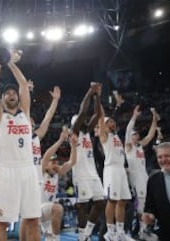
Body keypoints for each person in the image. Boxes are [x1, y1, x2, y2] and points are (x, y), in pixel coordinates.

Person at [0, 51, 41, 241]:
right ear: (2, 99)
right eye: (7, 93)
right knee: (2, 223)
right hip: (7, 170)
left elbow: (23, 85)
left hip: (28, 170)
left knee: (33, 219)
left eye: (13, 93)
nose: (11, 95)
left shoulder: (25, 114)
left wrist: (10, 62)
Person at [20, 84, 61, 241]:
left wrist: (55, 101)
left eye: (32, 120)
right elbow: (23, 110)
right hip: (25, 178)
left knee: (32, 218)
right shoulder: (20, 136)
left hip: (37, 179)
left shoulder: (36, 137)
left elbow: (48, 117)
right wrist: (26, 92)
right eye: (28, 120)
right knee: (27, 217)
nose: (31, 121)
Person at [71, 82, 105, 241]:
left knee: (100, 203)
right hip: (80, 173)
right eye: (80, 120)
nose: (84, 121)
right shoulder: (75, 132)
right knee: (83, 206)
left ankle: (87, 234)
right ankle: (81, 236)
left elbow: (97, 115)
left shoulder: (86, 133)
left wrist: (98, 96)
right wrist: (90, 91)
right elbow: (84, 112)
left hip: (92, 173)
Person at [124, 105, 159, 240]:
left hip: (144, 177)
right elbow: (127, 130)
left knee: (146, 205)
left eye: (137, 134)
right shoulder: (128, 147)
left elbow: (150, 135)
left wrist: (154, 120)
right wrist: (134, 116)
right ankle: (141, 231)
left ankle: (143, 230)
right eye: (134, 135)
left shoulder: (139, 146)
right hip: (135, 180)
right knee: (140, 206)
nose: (136, 136)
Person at [98, 109, 132, 241]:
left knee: (123, 200)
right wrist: (100, 108)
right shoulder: (104, 136)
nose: (113, 123)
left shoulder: (117, 136)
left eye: (113, 121)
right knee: (112, 200)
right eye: (110, 121)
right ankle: (110, 232)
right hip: (111, 169)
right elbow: (101, 121)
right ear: (105, 125)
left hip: (121, 170)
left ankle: (120, 232)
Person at [40, 127, 77, 241]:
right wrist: (61, 140)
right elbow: (46, 156)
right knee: (58, 209)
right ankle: (56, 238)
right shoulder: (41, 171)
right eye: (53, 162)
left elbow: (72, 162)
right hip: (38, 209)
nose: (55, 164)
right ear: (47, 165)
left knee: (49, 239)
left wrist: (74, 146)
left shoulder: (57, 173)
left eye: (56, 162)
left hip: (48, 212)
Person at [142, 142, 170, 241]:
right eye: (160, 157)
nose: (163, 160)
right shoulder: (153, 179)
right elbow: (149, 206)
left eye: (167, 156)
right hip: (167, 234)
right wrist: (149, 215)